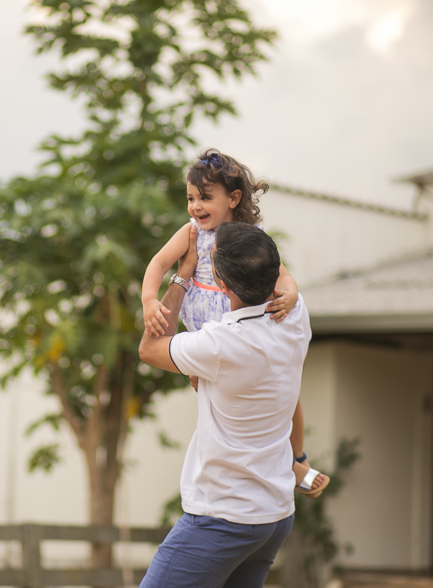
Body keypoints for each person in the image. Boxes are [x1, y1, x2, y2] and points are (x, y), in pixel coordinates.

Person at [141, 149, 327, 497]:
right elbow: (158, 262)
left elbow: (283, 275)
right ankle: (274, 467)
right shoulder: (192, 232)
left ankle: (295, 458)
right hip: (207, 332)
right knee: (219, 402)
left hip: (241, 326)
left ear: (234, 198)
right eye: (191, 198)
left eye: (205, 198)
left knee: (288, 399)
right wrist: (149, 300)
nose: (196, 206)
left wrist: (288, 293)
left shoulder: (248, 236)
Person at [138, 222, 311, 588]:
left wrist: (183, 275)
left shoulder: (221, 343)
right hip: (274, 515)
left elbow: (149, 349)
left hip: (224, 517)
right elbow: (285, 281)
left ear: (222, 284)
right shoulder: (296, 317)